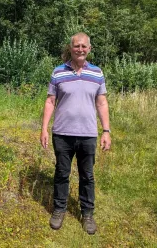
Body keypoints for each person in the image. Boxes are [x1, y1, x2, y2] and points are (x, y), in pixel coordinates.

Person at [40, 32, 111, 235]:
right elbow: (50, 101)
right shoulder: (58, 72)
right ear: (70, 48)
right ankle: (59, 209)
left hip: (88, 134)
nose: (80, 49)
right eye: (76, 46)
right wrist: (44, 128)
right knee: (62, 173)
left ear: (89, 49)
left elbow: (102, 102)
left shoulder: (97, 73)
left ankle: (87, 213)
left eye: (83, 46)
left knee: (87, 176)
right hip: (62, 134)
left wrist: (106, 130)